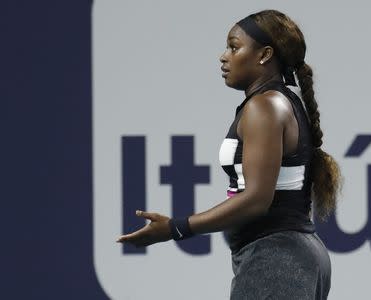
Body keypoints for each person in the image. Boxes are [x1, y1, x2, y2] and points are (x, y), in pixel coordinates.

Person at [117, 9, 343, 300]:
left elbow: (257, 200)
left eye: (234, 47)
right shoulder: (276, 102)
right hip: (287, 257)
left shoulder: (265, 107)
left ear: (264, 55)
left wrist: (175, 228)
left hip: (278, 260)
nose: (224, 56)